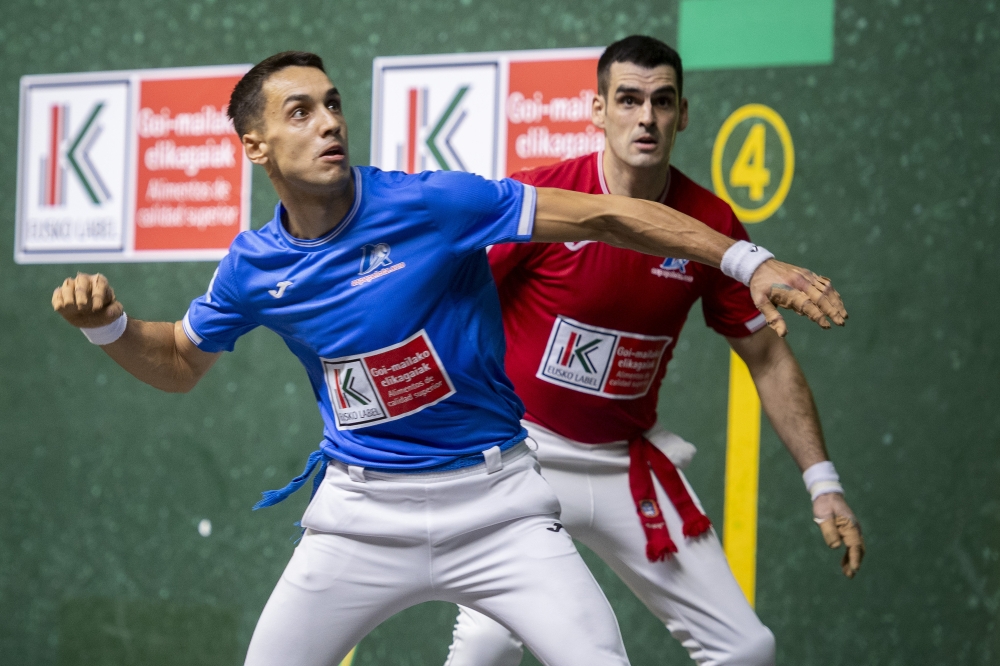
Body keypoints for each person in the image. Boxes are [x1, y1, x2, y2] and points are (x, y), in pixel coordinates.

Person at [51, 51, 846, 666]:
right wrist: (110, 326)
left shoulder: (432, 204)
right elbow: (181, 359)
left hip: (496, 507)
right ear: (255, 143)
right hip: (359, 520)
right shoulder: (254, 267)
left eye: (333, 104)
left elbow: (607, 214)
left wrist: (747, 262)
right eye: (302, 111)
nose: (329, 122)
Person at [443, 36, 864, 666]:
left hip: (626, 465)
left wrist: (822, 482)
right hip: (524, 457)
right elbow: (450, 308)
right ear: (597, 110)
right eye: (630, 100)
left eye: (662, 102)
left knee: (749, 649)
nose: (646, 117)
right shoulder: (544, 201)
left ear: (683, 114)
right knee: (484, 643)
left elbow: (767, 356)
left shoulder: (709, 225)